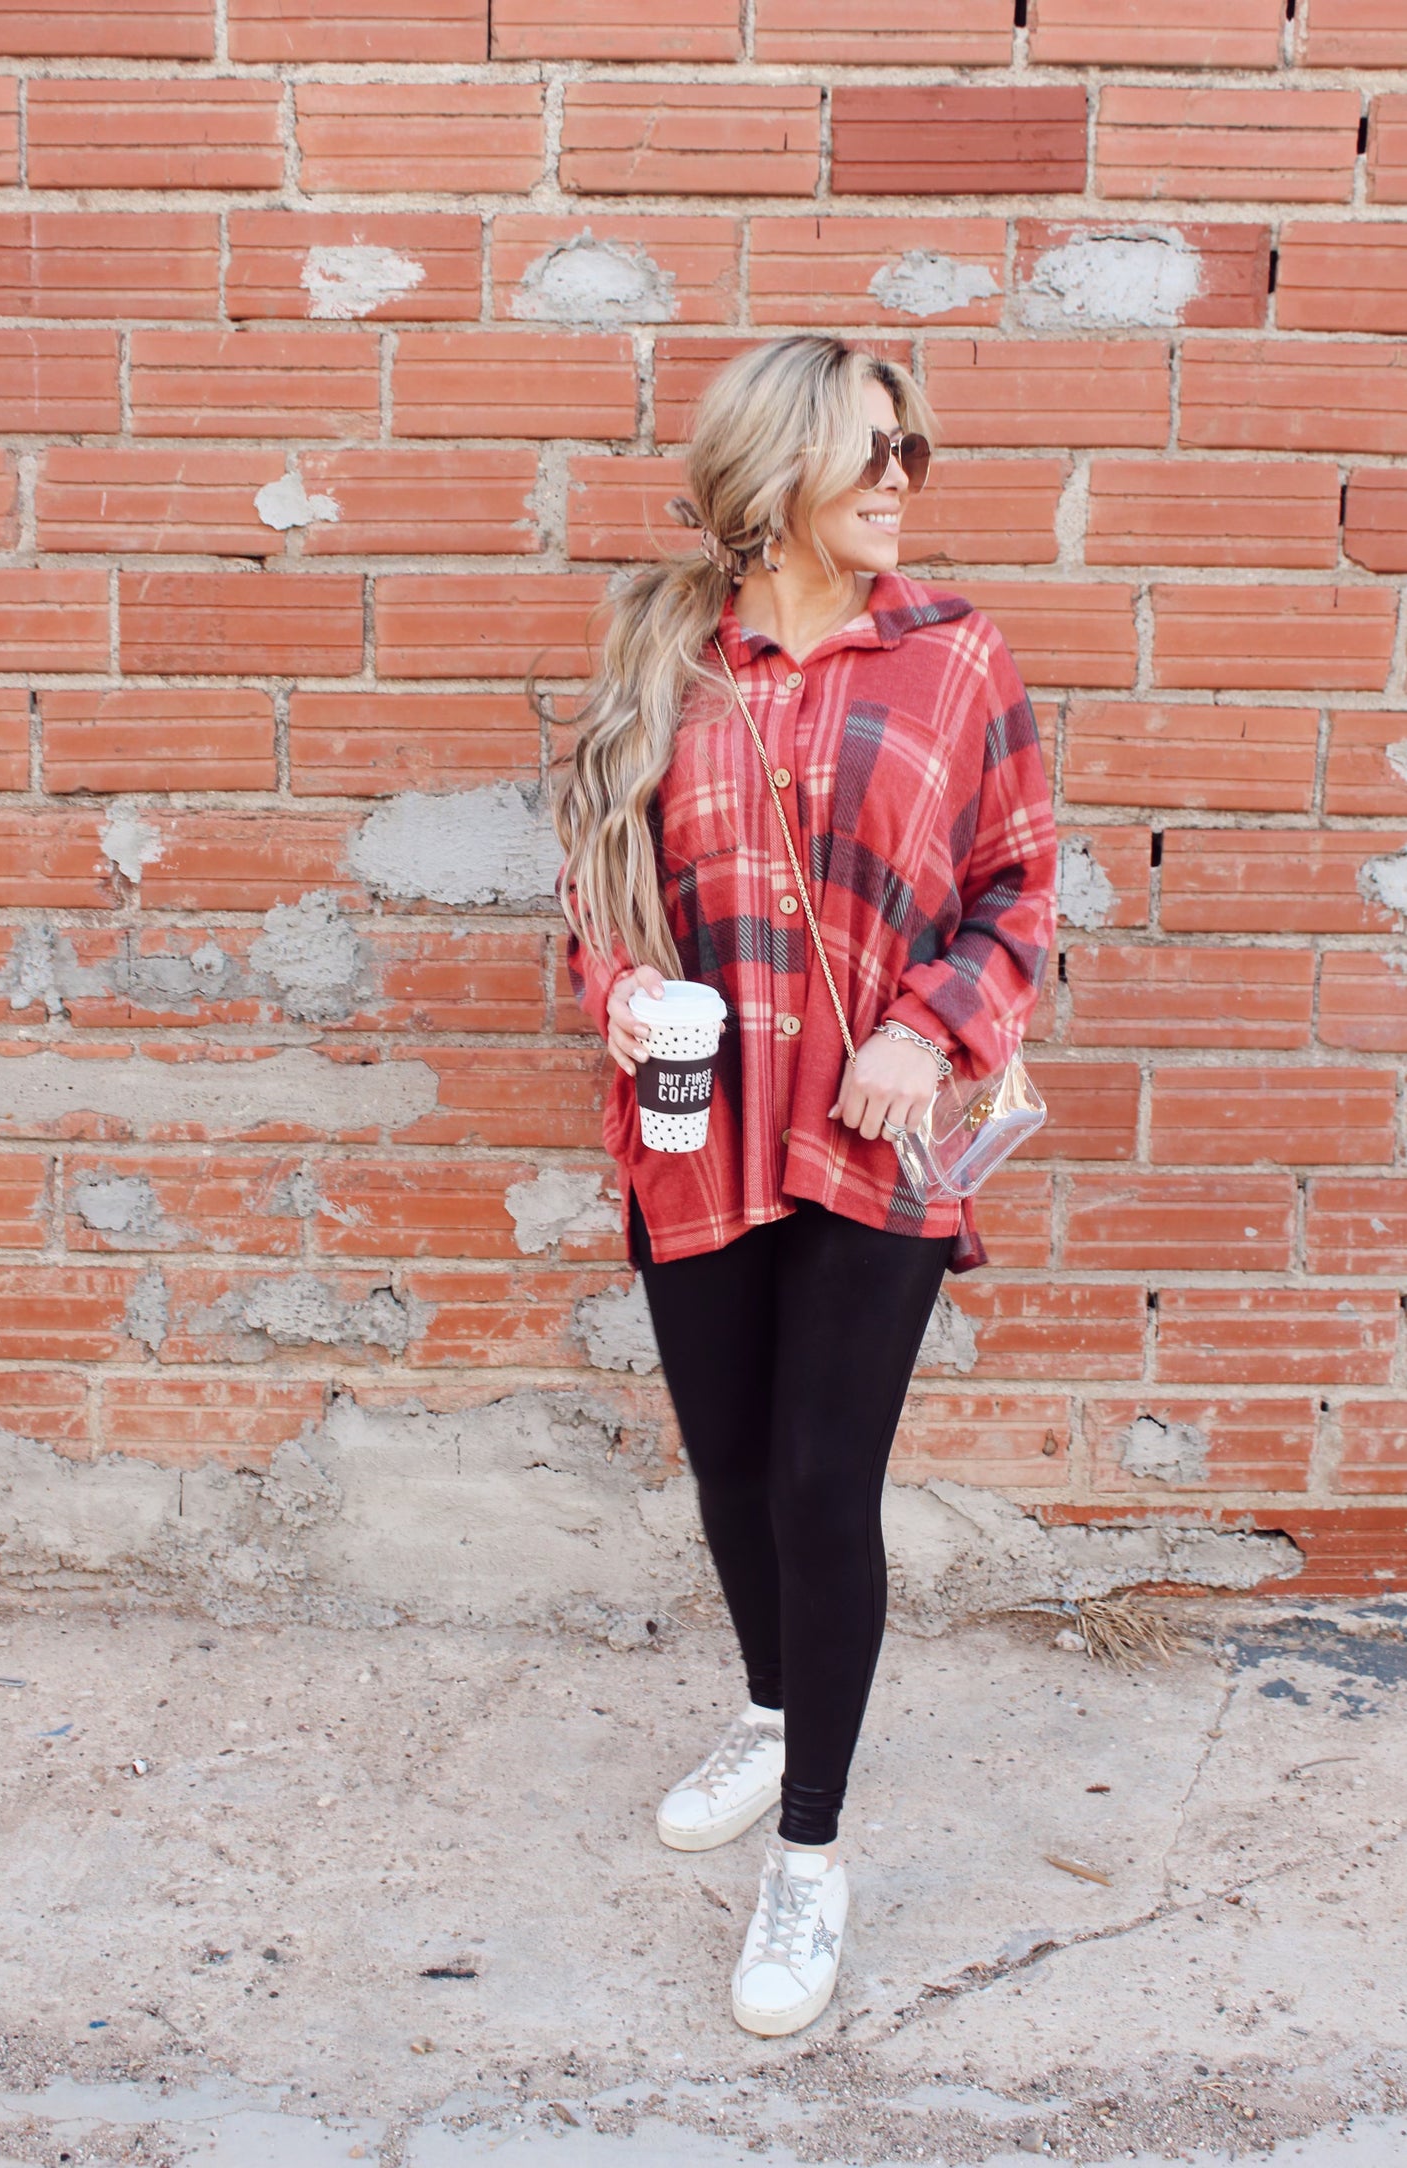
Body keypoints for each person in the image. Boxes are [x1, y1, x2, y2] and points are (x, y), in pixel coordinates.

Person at [553, 334, 1057, 2037]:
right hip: (696, 1122)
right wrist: (622, 993)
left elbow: (1018, 882)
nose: (902, 479)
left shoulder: (952, 656)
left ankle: (811, 1855)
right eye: (871, 451)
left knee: (824, 1486)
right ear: (777, 472)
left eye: (913, 449)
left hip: (866, 1131)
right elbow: (597, 885)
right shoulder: (663, 655)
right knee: (730, 1468)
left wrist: (928, 1027)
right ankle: (770, 1712)